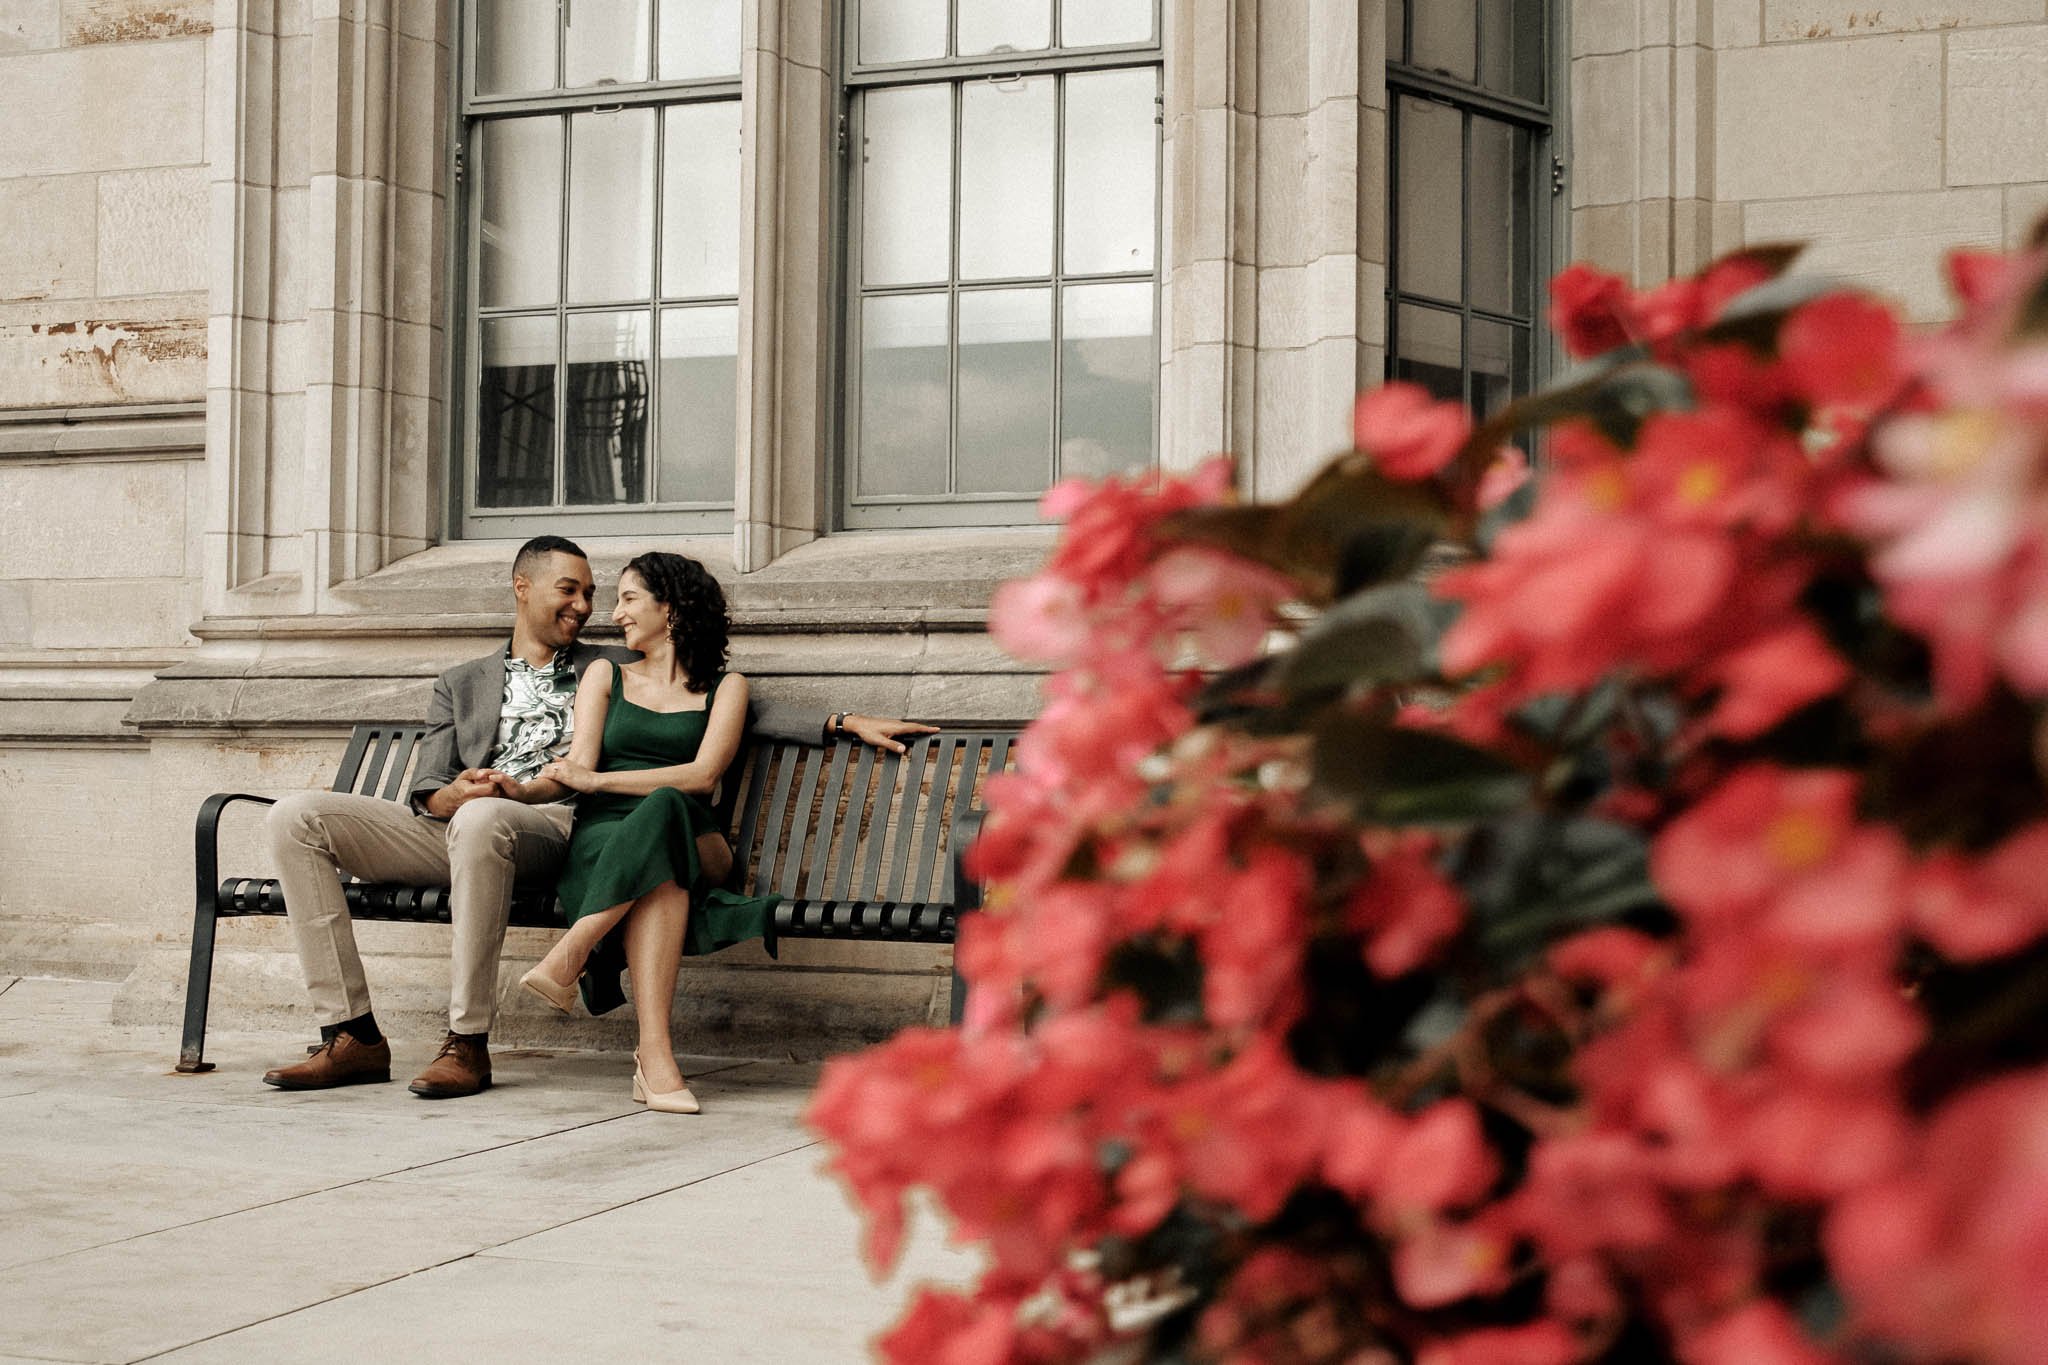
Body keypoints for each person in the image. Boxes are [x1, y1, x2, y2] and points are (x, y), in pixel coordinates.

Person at [259, 535, 936, 1099]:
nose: (588, 608)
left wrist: (838, 720)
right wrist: (455, 792)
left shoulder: (608, 666)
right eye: (571, 590)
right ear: (522, 587)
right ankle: (351, 1033)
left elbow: (722, 703)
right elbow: (427, 785)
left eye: (597, 594)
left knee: (486, 821)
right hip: (463, 823)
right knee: (296, 816)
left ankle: (466, 1041)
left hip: (551, 825)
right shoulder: (461, 682)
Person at [514, 552, 762, 1114]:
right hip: (608, 843)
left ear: (669, 607)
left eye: (629, 598)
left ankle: (574, 947)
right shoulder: (605, 675)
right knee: (659, 878)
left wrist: (601, 779)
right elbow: (575, 765)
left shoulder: (728, 687)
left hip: (700, 842)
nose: (616, 614)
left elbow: (702, 778)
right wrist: (522, 789)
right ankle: (655, 1059)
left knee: (669, 803)